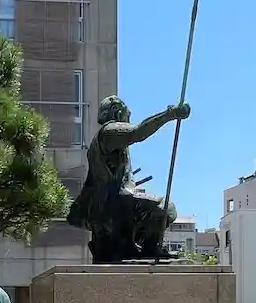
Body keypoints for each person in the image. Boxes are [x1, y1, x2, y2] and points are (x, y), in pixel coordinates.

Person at [66, 96, 192, 263]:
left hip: (111, 205)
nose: (129, 119)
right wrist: (170, 114)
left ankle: (136, 247)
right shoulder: (109, 131)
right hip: (113, 204)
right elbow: (137, 132)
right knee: (166, 208)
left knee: (154, 211)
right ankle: (149, 249)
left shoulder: (106, 141)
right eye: (127, 115)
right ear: (118, 113)